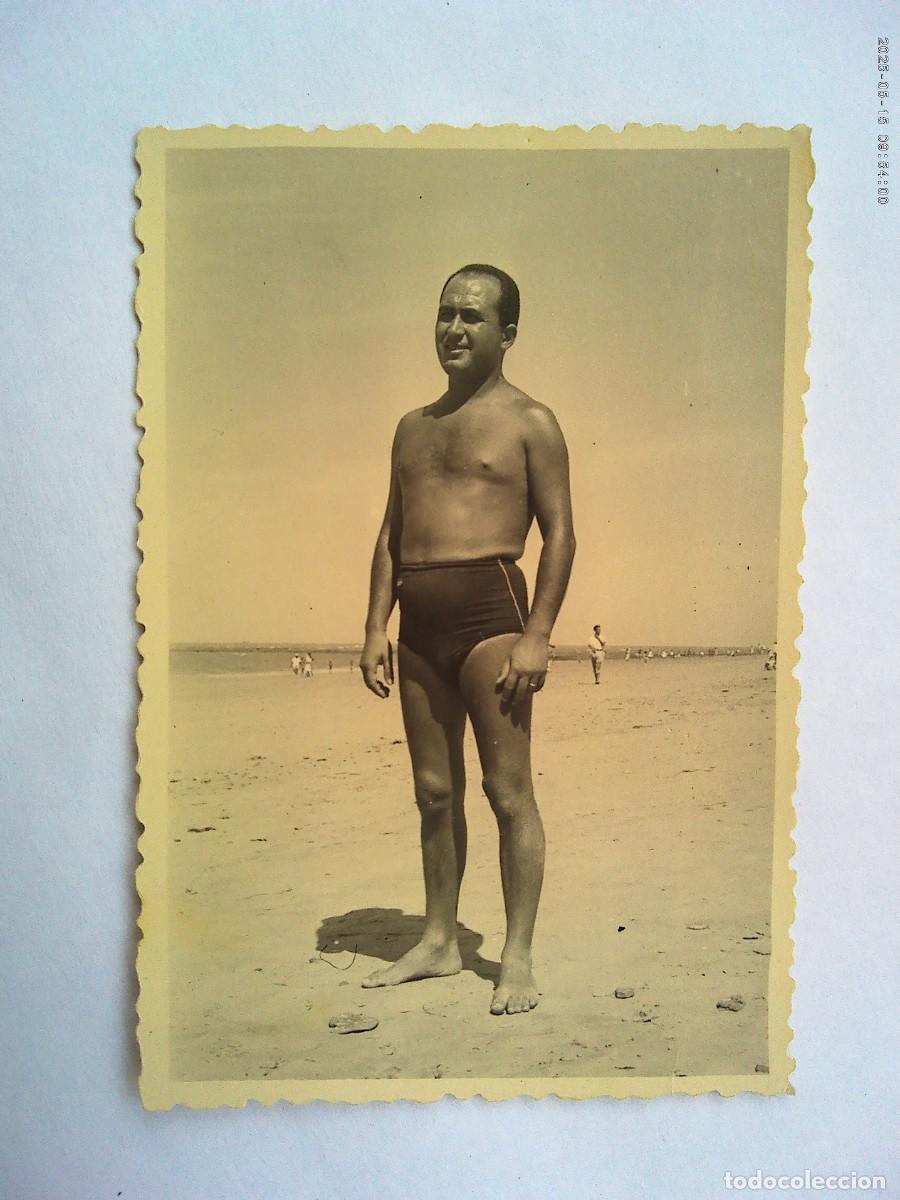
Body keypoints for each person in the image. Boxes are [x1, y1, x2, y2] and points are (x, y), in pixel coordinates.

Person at [360, 263, 576, 1016]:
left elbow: (560, 535)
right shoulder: (411, 427)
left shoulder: (530, 421)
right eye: (445, 313)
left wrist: (539, 634)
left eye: (473, 318)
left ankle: (515, 956)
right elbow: (392, 530)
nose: (454, 328)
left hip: (492, 614)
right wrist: (374, 626)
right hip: (418, 623)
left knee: (507, 792)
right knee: (432, 791)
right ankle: (441, 939)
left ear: (507, 334)